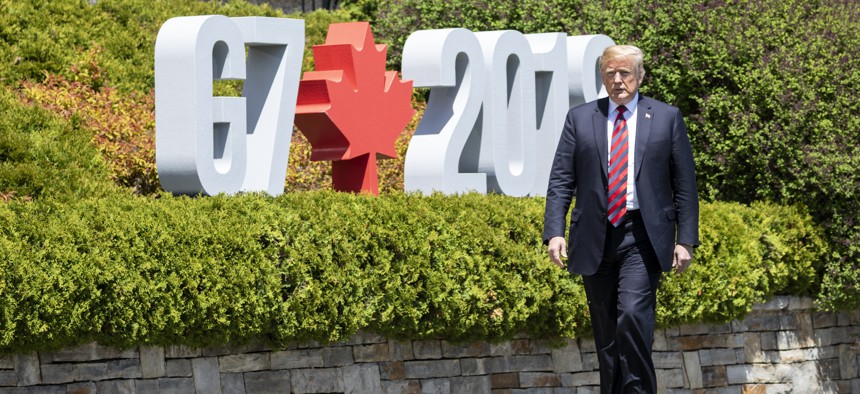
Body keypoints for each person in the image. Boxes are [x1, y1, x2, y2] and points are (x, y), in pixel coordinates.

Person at [543, 45, 699, 393]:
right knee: (607, 334)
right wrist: (555, 230)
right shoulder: (581, 118)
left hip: (641, 236)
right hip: (594, 237)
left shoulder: (665, 117)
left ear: (639, 76)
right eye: (610, 73)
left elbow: (685, 184)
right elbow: (561, 179)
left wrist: (685, 240)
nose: (617, 80)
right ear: (602, 77)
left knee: (632, 317)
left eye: (625, 72)